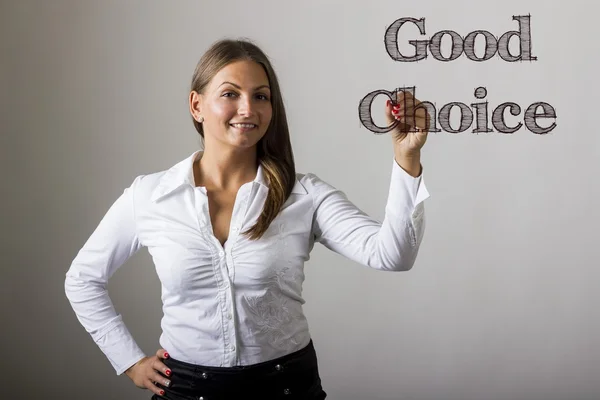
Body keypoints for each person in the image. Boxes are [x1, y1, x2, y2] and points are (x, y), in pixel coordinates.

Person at [64, 38, 431, 400]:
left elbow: (392, 255)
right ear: (197, 105)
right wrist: (129, 361)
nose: (248, 109)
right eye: (230, 94)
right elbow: (82, 279)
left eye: (261, 96)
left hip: (286, 388)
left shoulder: (304, 195)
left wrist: (406, 159)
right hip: (187, 390)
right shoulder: (151, 195)